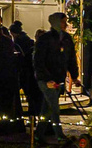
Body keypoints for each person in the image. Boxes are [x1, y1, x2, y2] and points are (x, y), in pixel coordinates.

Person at [33, 11, 80, 140]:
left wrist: (74, 76)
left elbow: (71, 58)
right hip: (47, 79)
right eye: (63, 21)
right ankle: (59, 135)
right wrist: (46, 78)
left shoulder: (66, 38)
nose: (65, 24)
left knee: (47, 108)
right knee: (54, 107)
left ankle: (38, 134)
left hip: (58, 77)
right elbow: (38, 61)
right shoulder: (45, 39)